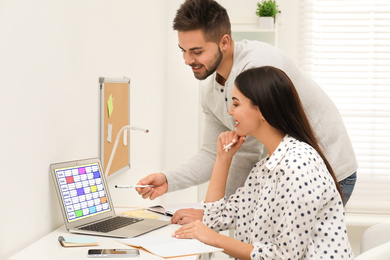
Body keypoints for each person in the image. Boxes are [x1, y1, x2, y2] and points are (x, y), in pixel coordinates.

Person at [137, 0, 358, 222]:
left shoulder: (257, 68)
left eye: (197, 51)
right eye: (183, 51)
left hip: (327, 169)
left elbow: (246, 152)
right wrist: (169, 180)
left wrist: (215, 215)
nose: (187, 60)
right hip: (286, 175)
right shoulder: (210, 91)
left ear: (224, 42)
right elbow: (213, 153)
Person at [173, 66, 354, 259]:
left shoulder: (297, 165)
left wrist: (214, 240)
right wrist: (223, 158)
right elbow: (215, 218)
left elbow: (286, 256)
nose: (230, 110)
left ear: (262, 109)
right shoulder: (264, 169)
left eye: (236, 104)